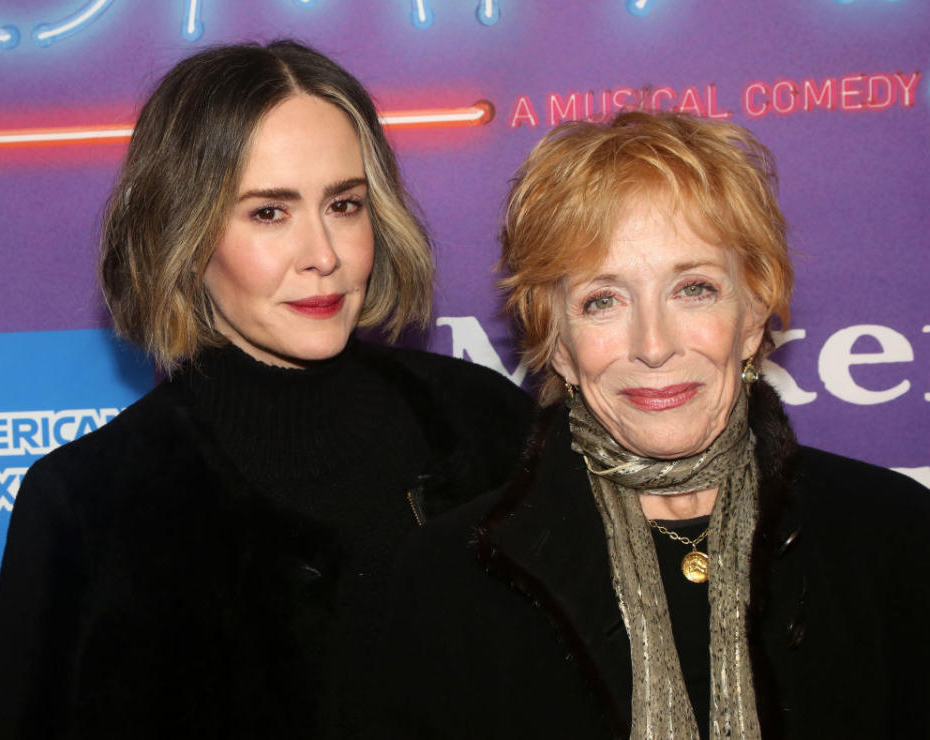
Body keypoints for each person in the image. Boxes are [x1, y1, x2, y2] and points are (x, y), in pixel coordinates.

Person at [0, 40, 533, 738]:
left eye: (345, 204)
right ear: (183, 232)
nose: (322, 254)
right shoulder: (90, 505)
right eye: (269, 212)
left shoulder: (488, 428)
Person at [380, 112, 930, 739]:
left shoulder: (895, 539)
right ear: (559, 344)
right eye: (603, 300)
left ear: (752, 316)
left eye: (693, 288)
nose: (653, 344)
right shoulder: (451, 580)